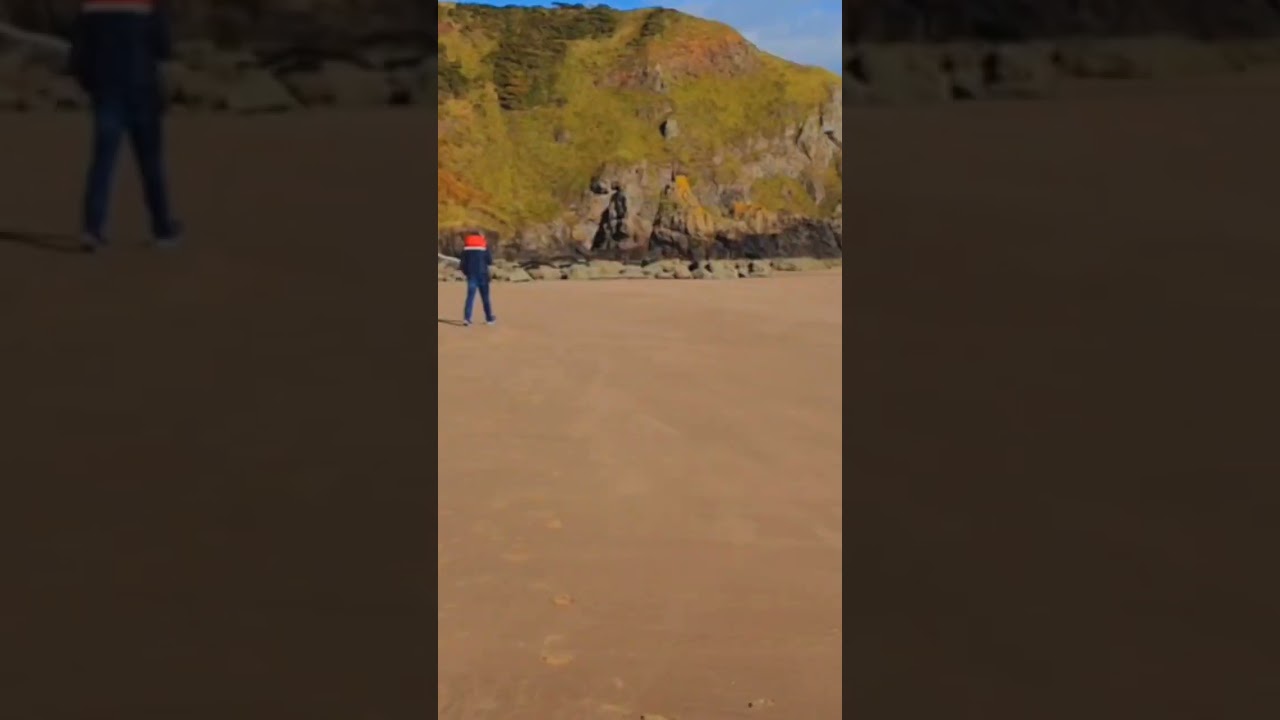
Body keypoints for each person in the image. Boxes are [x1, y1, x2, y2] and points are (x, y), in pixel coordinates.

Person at [68, 0, 182, 253]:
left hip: (108, 89)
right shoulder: (150, 4)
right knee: (151, 164)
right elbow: (163, 47)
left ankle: (92, 229)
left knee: (103, 161)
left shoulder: (91, 6)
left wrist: (89, 83)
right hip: (142, 88)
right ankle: (162, 228)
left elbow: (78, 54)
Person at [459, 232, 497, 326]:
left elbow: (462, 264)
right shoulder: (484, 246)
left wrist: (467, 273)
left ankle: (467, 319)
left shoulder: (466, 248)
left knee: (470, 297)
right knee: (485, 298)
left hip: (472, 275)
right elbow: (489, 261)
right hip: (483, 275)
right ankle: (489, 319)